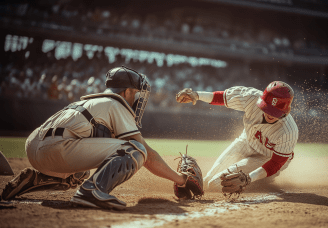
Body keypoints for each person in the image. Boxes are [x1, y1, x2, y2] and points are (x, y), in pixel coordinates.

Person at [1, 66, 188, 210]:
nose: (139, 98)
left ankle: (37, 180)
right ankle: (93, 192)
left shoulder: (89, 101)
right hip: (59, 148)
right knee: (135, 149)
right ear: (127, 92)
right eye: (137, 93)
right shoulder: (117, 104)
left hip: (34, 146)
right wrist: (181, 180)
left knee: (80, 174)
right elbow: (149, 155)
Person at [176, 81, 298, 191]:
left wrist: (249, 178)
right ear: (262, 100)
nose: (269, 114)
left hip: (267, 158)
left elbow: (276, 163)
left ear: (286, 112)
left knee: (215, 184)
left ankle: (262, 180)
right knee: (208, 180)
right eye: (267, 108)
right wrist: (197, 95)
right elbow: (222, 97)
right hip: (245, 142)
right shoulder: (251, 97)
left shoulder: (288, 131)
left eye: (274, 111)